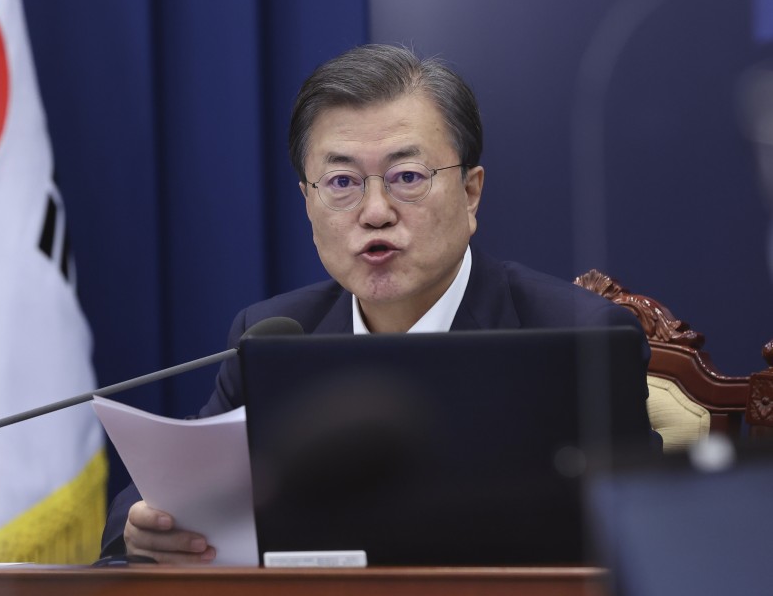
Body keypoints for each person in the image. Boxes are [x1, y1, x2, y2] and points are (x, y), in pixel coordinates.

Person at [99, 44, 652, 563]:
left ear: (470, 191)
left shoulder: (576, 337)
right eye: (341, 181)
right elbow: (152, 504)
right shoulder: (273, 335)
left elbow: (645, 536)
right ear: (307, 202)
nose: (375, 211)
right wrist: (145, 528)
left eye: (407, 177)